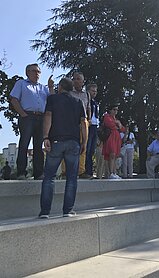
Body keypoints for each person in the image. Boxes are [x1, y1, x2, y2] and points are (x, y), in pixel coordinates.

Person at [39, 77, 87, 219]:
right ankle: (68, 210)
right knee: (72, 178)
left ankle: (45, 212)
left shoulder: (53, 99)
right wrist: (84, 141)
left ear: (60, 87)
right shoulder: (78, 102)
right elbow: (84, 122)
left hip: (56, 141)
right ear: (72, 88)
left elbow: (48, 115)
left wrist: (45, 137)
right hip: (73, 142)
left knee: (49, 177)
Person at [10, 63, 54, 180]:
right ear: (27, 72)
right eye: (34, 71)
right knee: (24, 144)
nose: (37, 74)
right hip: (27, 116)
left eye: (38, 72)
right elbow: (14, 99)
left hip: (41, 118)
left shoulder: (43, 88)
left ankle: (39, 173)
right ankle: (21, 173)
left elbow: (53, 101)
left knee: (38, 147)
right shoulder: (21, 84)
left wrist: (50, 87)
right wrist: (23, 114)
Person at [69, 72, 91, 178]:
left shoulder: (86, 94)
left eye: (78, 79)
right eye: (74, 79)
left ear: (83, 82)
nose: (76, 81)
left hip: (83, 122)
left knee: (83, 145)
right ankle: (66, 171)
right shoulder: (69, 92)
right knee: (68, 145)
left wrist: (89, 119)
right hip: (70, 122)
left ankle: (81, 171)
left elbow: (88, 107)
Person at [102, 104, 125, 179]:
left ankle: (114, 172)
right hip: (111, 136)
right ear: (110, 110)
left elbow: (122, 129)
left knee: (115, 155)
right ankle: (111, 172)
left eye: (117, 110)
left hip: (116, 137)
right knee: (112, 154)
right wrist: (117, 124)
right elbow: (110, 125)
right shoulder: (107, 116)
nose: (115, 111)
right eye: (114, 109)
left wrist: (118, 124)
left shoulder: (116, 119)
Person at [84, 84, 99, 178]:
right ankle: (85, 170)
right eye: (92, 91)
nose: (94, 93)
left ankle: (89, 171)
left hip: (95, 126)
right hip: (88, 126)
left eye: (95, 91)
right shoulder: (85, 101)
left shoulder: (95, 103)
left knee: (91, 150)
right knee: (87, 148)